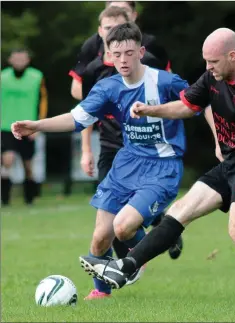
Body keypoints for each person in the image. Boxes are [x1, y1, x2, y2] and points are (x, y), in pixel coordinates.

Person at [79, 27, 235, 309]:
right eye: (206, 61)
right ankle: (124, 267)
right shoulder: (212, 77)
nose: (208, 67)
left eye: (213, 62)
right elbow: (187, 107)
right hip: (231, 161)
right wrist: (151, 110)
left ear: (232, 56)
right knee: (179, 212)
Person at [11, 23, 190, 301]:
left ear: (141, 52)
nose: (122, 60)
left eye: (129, 53)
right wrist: (37, 125)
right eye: (116, 54)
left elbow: (199, 103)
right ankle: (101, 293)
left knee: (123, 226)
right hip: (127, 163)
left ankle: (134, 260)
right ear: (108, 53)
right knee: (100, 237)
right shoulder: (107, 87)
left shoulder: (165, 82)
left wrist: (218, 142)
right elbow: (76, 118)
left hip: (162, 166)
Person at [77, 6, 185, 284]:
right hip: (112, 146)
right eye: (106, 27)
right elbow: (82, 113)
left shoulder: (151, 62)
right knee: (104, 229)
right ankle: (105, 285)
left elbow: (187, 97)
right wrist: (86, 150)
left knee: (123, 224)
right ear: (100, 32)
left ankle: (140, 253)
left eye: (118, 24)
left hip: (150, 150)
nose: (111, 31)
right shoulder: (92, 67)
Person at [69, 1, 170, 101]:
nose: (113, 32)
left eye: (123, 11)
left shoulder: (148, 54)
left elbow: (169, 85)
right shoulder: (92, 63)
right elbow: (82, 98)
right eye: (108, 28)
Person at [1, 48, 48, 205]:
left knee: (28, 166)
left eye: (23, 59)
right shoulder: (3, 77)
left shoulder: (36, 76)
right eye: (16, 59)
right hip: (6, 126)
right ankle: (5, 199)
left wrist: (39, 125)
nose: (19, 62)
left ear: (28, 60)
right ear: (10, 60)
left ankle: (30, 198)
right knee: (7, 160)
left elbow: (43, 101)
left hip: (28, 127)